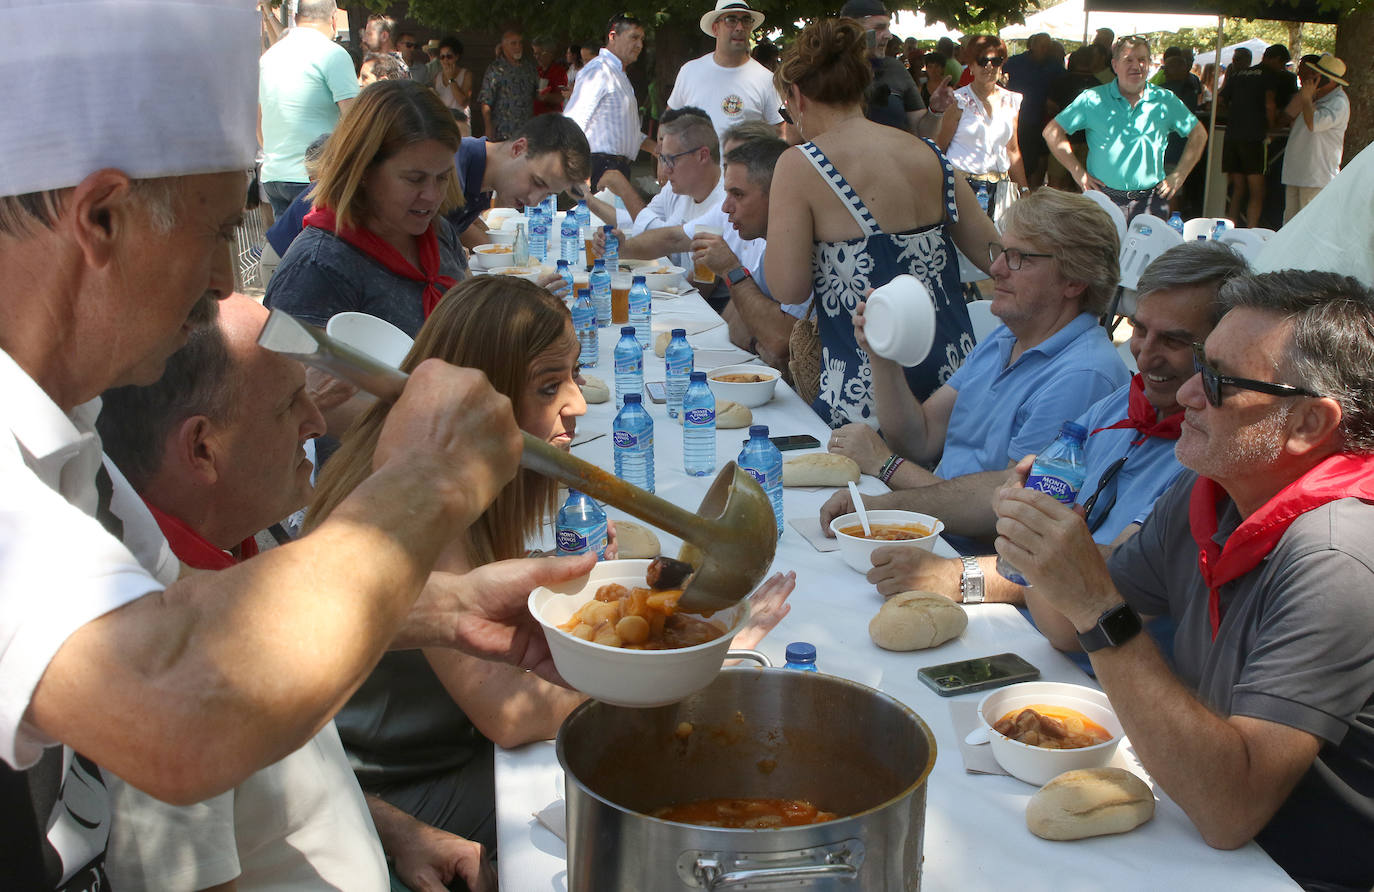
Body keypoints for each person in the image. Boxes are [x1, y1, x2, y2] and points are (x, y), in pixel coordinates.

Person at [0, 2, 588, 886]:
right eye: (213, 232)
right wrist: (425, 478)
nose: (220, 277)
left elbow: (206, 613)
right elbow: (178, 708)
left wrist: (434, 611)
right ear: (102, 219)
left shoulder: (69, 423)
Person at [309, 276, 796, 856]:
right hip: (391, 791)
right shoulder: (423, 505)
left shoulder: (442, 476)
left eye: (573, 375)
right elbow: (508, 713)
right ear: (480, 400)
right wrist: (700, 666)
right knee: (665, 791)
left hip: (438, 749)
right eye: (548, 386)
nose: (579, 403)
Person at [98, 297, 497, 892]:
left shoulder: (235, 551)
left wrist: (394, 831)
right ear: (203, 448)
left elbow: (271, 801)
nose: (316, 421)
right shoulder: (166, 668)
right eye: (290, 404)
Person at [998, 270, 1374, 892]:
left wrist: (1097, 602)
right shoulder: (1210, 492)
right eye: (1204, 364)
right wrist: (1046, 543)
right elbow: (1065, 628)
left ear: (1309, 423)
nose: (1189, 393)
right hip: (1203, 836)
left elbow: (1231, 811)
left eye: (1222, 381)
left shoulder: (1339, 557)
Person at [864, 240, 1246, 607]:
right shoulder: (1123, 403)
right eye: (1140, 330)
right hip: (1037, 619)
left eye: (1174, 341)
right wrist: (880, 510)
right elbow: (1013, 498)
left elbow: (1118, 571)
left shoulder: (1206, 452)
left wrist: (955, 576)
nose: (1145, 357)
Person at [820, 189, 1129, 548]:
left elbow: (1003, 513)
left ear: (1074, 281)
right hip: (935, 534)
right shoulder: (1006, 337)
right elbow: (920, 438)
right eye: (1000, 252)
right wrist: (881, 355)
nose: (995, 269)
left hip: (969, 560)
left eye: (1018, 259)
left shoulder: (1082, 375)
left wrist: (885, 468)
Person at [764, 18, 1000, 428]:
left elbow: (788, 287)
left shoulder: (801, 164)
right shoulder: (928, 153)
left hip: (867, 392)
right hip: (955, 380)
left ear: (797, 97)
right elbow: (995, 253)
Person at [265, 79, 468, 340]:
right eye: (415, 179)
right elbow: (295, 375)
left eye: (442, 177)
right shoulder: (318, 267)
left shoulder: (439, 233)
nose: (433, 196)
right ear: (362, 170)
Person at [1044, 36, 1206, 223]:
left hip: (1151, 200)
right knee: (1102, 253)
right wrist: (1077, 172)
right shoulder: (1093, 98)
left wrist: (1180, 174)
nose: (1136, 66)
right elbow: (1052, 131)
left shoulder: (1165, 100)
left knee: (1149, 253)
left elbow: (1198, 134)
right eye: (1128, 60)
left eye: (1142, 59)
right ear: (1114, 65)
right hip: (1102, 199)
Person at [689, 134, 806, 369]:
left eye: (738, 194)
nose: (725, 207)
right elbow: (733, 327)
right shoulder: (771, 247)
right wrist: (757, 343)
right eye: (727, 194)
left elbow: (782, 340)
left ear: (776, 195)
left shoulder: (805, 249)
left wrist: (731, 269)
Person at [258, 0, 359, 216]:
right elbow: (356, 119)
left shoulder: (268, 58)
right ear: (334, 19)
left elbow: (258, 122)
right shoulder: (333, 54)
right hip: (315, 177)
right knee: (322, 247)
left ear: (296, 18)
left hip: (274, 175)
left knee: (287, 249)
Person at [444, 113, 591, 243]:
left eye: (548, 194)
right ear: (518, 149)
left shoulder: (481, 180)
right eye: (537, 182)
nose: (533, 202)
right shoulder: (451, 168)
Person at [936, 34, 1027, 220]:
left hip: (1001, 188)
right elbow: (940, 148)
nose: (989, 66)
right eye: (982, 60)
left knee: (998, 243)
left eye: (996, 61)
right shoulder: (957, 101)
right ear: (971, 65)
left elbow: (1013, 149)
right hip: (964, 187)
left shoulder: (1011, 101)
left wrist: (1024, 189)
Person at [668, 0, 783, 143]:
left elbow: (781, 133)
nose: (740, 27)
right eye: (731, 20)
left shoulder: (766, 80)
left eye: (746, 20)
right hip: (693, 165)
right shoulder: (689, 71)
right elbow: (669, 122)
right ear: (715, 28)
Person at [565, 14, 656, 191]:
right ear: (613, 36)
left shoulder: (618, 74)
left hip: (615, 167)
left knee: (615, 219)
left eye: (642, 39)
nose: (639, 45)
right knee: (601, 219)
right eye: (634, 37)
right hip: (599, 166)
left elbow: (626, 132)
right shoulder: (599, 70)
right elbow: (574, 121)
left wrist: (657, 150)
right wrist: (580, 171)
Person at [839, 0, 949, 137]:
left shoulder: (895, 69)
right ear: (852, 29)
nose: (889, 35)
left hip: (891, 157)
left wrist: (935, 111)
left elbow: (922, 133)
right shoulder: (824, 71)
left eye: (888, 27)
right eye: (879, 27)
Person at [1218, 44, 1292, 228]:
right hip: (1254, 138)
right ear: (1276, 59)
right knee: (1257, 191)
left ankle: (1229, 230)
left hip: (1232, 136)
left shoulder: (1239, 74)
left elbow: (1220, 99)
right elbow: (1269, 103)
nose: (1282, 69)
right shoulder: (1269, 75)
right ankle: (1251, 232)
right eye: (1282, 64)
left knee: (1237, 189)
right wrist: (1272, 125)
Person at [1280, 53, 1349, 223]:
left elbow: (1314, 124)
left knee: (1308, 224)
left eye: (1316, 74)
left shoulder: (1338, 103)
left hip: (1316, 176)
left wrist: (1305, 99)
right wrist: (1305, 98)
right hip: (1296, 172)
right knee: (1289, 223)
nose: (1310, 77)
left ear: (1328, 79)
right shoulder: (1313, 96)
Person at [1001, 32, 1063, 189]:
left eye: (1047, 46)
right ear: (1032, 46)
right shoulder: (1015, 62)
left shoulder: (1054, 66)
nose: (1045, 49)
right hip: (1017, 119)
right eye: (1041, 45)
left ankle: (1031, 192)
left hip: (1039, 121)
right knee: (1015, 158)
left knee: (1037, 162)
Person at [1044, 46, 1101, 191]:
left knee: (1055, 185)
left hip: (1062, 138)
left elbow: (1050, 106)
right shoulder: (1099, 85)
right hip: (1088, 141)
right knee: (1084, 186)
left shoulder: (1061, 81)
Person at [478, 28, 538, 141]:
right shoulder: (495, 69)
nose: (518, 47)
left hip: (525, 132)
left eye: (520, 43)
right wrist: (488, 127)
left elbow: (537, 94)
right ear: (504, 46)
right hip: (502, 132)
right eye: (513, 43)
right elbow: (485, 101)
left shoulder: (529, 68)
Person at [432, 37, 473, 123]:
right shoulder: (437, 77)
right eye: (442, 57)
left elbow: (463, 102)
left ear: (457, 57)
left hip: (461, 122)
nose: (445, 60)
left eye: (449, 56)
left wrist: (451, 79)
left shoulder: (466, 74)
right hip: (443, 123)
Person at [532, 35, 568, 115]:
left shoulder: (559, 72)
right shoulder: (537, 71)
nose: (537, 57)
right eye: (535, 54)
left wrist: (544, 97)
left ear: (550, 53)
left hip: (551, 119)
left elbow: (561, 97)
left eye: (540, 54)